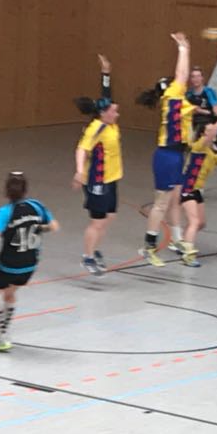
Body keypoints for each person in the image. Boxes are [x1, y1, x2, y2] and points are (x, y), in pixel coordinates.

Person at [0, 172, 58, 353]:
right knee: (9, 294)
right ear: (25, 190)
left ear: (6, 190)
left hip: (8, 264)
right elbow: (53, 227)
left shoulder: (5, 212)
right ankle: (2, 331)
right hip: (29, 264)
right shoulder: (37, 206)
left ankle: (1, 339)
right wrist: (37, 228)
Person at [135, 32, 199, 266]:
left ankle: (178, 240)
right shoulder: (173, 95)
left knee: (175, 200)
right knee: (161, 203)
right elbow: (182, 74)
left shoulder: (176, 100)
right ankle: (149, 246)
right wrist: (184, 49)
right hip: (167, 155)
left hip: (177, 154)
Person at [72, 54, 121, 276]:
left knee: (109, 217)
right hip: (97, 180)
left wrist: (106, 73)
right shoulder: (97, 128)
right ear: (104, 113)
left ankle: (95, 249)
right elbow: (82, 149)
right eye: (114, 111)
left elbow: (106, 95)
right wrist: (79, 171)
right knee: (97, 222)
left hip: (111, 178)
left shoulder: (109, 123)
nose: (117, 113)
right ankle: (88, 257)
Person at [175, 118, 217, 267]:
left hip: (197, 191)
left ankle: (182, 242)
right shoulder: (198, 146)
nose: (213, 133)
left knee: (201, 223)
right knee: (194, 221)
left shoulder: (213, 154)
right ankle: (188, 255)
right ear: (203, 134)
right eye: (209, 131)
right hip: (187, 187)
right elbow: (209, 137)